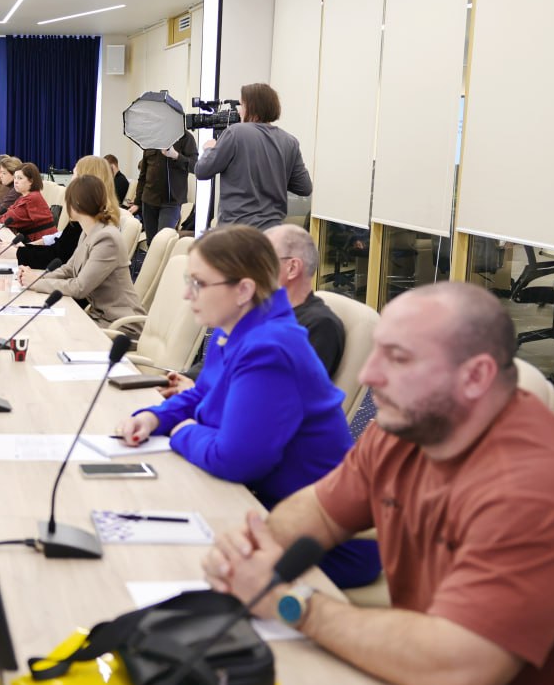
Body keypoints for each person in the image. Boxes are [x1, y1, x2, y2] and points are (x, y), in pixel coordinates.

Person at [200, 282, 554, 685]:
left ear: (476, 377)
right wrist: (253, 548)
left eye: (398, 358)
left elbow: (462, 671)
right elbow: (320, 512)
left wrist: (292, 604)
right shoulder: (408, 427)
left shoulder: (537, 487)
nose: (369, 375)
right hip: (420, 681)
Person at [116, 225, 378, 589]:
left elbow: (236, 459)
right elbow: (202, 395)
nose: (187, 294)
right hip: (257, 506)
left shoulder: (270, 349)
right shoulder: (234, 330)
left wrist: (183, 432)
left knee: (150, 561)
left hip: (320, 543)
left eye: (198, 283)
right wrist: (153, 417)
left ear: (243, 290)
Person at [157, 223, 345, 398]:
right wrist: (182, 382)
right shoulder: (256, 310)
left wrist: (194, 393)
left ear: (292, 268)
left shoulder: (320, 326)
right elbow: (215, 366)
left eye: (262, 261)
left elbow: (278, 399)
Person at [19, 175, 144, 335]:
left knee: (50, 331)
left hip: (119, 325)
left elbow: (80, 287)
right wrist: (36, 277)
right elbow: (69, 270)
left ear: (78, 203)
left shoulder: (107, 238)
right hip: (99, 317)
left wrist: (37, 283)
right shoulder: (88, 232)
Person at [194, 83, 311, 230]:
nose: (239, 111)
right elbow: (305, 188)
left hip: (237, 232)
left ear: (251, 107)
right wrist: (277, 175)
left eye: (241, 105)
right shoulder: (290, 142)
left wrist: (209, 150)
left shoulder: (235, 133)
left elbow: (202, 171)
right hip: (272, 233)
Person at [17, 155, 119, 270]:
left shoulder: (92, 223)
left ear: (86, 182)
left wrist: (19, 253)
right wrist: (22, 250)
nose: (71, 181)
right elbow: (62, 253)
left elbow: (61, 257)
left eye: (74, 174)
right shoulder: (88, 217)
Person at [129, 131, 198, 242]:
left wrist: (176, 156)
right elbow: (143, 176)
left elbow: (195, 166)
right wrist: (137, 202)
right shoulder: (152, 137)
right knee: (151, 243)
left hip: (171, 202)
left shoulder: (186, 138)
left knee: (162, 242)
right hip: (149, 200)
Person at [3, 162, 57, 242]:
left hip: (41, 242)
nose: (16, 181)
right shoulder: (24, 197)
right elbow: (7, 215)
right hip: (34, 238)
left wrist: (3, 216)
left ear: (31, 181)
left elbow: (9, 219)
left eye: (20, 178)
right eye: (15, 178)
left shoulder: (31, 198)